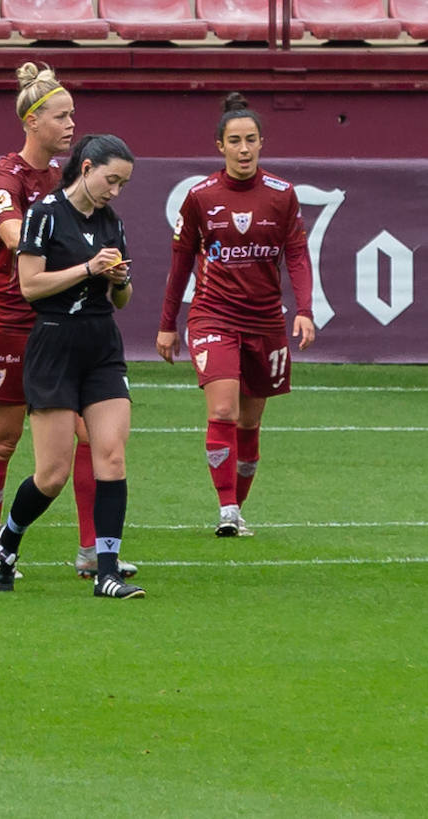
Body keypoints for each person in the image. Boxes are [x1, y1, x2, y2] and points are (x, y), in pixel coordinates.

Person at [0, 62, 136, 582]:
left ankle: (93, 551)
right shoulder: (7, 177)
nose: (70, 125)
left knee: (96, 438)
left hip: (70, 324)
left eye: (73, 116)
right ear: (33, 121)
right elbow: (22, 241)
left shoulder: (74, 184)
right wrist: (86, 257)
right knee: (2, 440)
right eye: (61, 116)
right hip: (10, 317)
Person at [156, 93, 315, 537]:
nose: (243, 149)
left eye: (250, 140)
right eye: (234, 141)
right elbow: (180, 264)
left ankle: (236, 510)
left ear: (262, 143)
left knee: (249, 422)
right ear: (219, 146)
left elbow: (297, 256)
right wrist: (168, 324)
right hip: (213, 317)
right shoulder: (201, 197)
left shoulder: (283, 196)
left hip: (266, 322)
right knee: (223, 410)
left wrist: (304, 310)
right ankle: (226, 510)